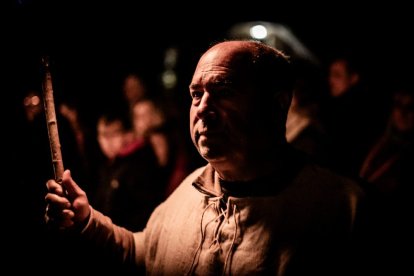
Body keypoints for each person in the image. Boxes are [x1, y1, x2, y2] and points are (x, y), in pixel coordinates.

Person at [45, 40, 364, 275]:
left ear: (277, 104)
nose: (203, 107)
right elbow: (145, 254)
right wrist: (87, 221)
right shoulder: (191, 190)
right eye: (196, 94)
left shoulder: (344, 211)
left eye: (224, 90)